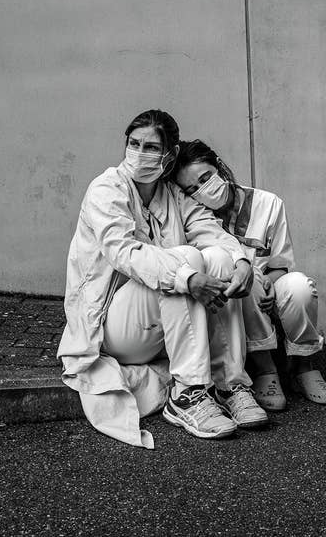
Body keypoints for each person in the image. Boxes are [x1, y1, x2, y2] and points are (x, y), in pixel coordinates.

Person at [57, 110, 268, 449]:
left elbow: (211, 232)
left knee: (215, 258)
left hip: (158, 326)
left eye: (151, 147)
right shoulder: (106, 189)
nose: (139, 153)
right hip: (113, 327)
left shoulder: (172, 195)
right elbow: (123, 252)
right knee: (185, 260)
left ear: (169, 156)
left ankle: (230, 385)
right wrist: (186, 276)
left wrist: (241, 261)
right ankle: (186, 395)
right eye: (134, 143)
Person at [174, 140, 326, 411]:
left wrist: (271, 284)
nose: (202, 190)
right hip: (232, 298)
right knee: (245, 284)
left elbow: (280, 263)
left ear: (219, 166)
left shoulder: (268, 203)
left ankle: (304, 367)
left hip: (269, 284)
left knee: (299, 287)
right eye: (192, 189)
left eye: (205, 178)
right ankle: (266, 371)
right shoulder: (195, 217)